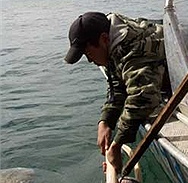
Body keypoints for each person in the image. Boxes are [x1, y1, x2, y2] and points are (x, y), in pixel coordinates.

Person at [65, 11, 169, 173]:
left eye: (89, 53)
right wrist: (106, 121)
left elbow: (143, 97)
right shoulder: (114, 45)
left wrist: (117, 144)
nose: (90, 60)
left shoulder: (134, 49)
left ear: (104, 39)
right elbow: (117, 85)